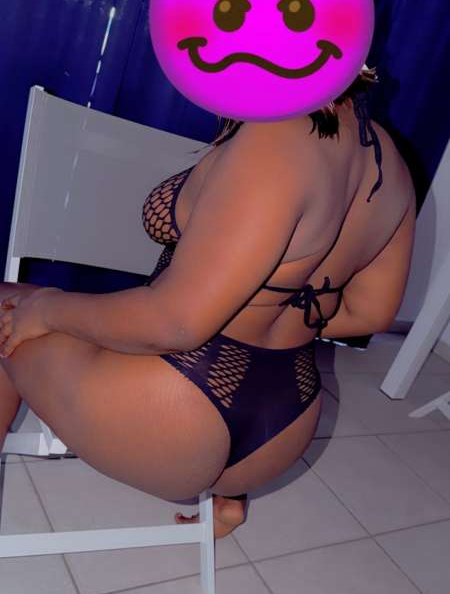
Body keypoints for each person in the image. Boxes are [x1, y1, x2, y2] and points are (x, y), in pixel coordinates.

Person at [0, 66, 416, 540]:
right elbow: (370, 314)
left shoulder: (275, 137)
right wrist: (272, 315)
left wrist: (47, 308)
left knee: (12, 308)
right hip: (284, 425)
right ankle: (229, 502)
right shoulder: (387, 157)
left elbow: (175, 324)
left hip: (181, 413)